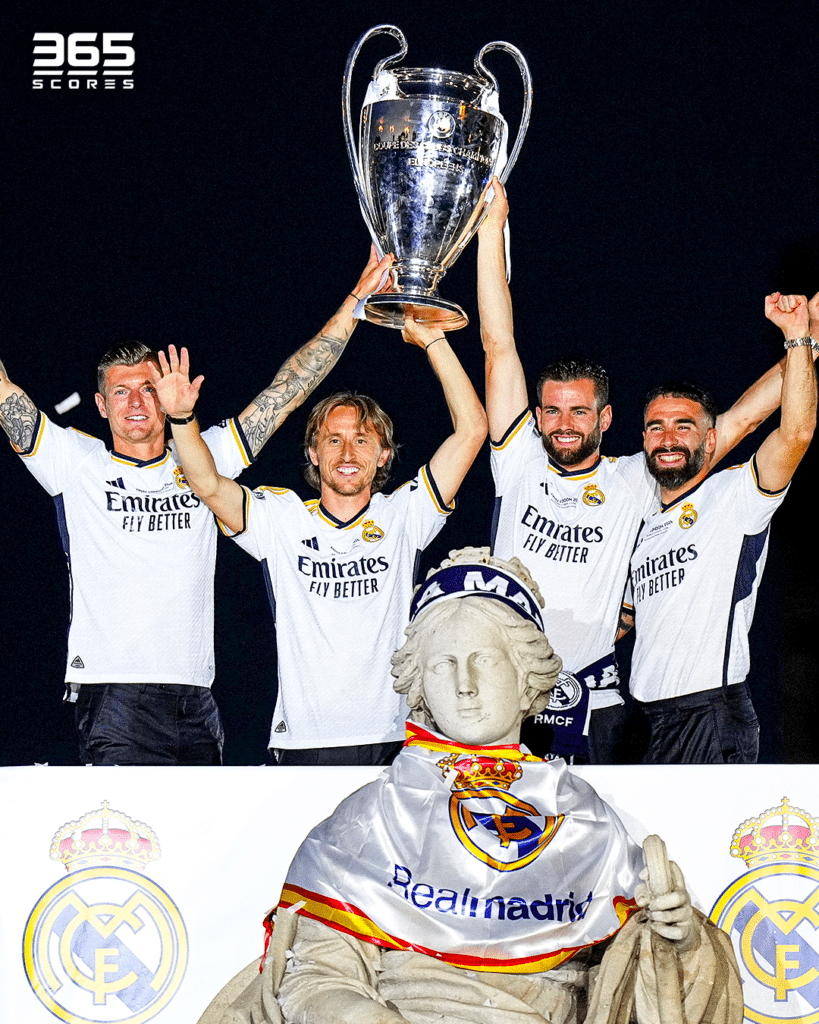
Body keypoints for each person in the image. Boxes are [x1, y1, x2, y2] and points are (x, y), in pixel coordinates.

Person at [196, 550, 742, 1024]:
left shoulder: (582, 815)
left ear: (527, 674)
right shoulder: (372, 817)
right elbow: (314, 981)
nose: (464, 685)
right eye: (444, 665)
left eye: (483, 660)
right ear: (421, 685)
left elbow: (639, 986)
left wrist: (681, 940)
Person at [0, 247, 394, 765]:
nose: (137, 402)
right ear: (100, 405)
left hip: (198, 697)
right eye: (121, 393)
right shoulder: (75, 461)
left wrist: (356, 302)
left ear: (167, 395)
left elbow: (288, 391)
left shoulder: (205, 456)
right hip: (115, 694)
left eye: (148, 388)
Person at [478, 177, 810, 764]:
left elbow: (734, 424)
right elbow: (498, 343)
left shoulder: (634, 479)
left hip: (598, 703)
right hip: (508, 697)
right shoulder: (519, 460)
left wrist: (806, 340)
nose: (563, 422)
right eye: (550, 410)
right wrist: (490, 227)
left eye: (579, 411)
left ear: (605, 418)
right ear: (535, 415)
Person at [151, 317, 487, 765]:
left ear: (384, 454)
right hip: (302, 743)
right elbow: (207, 484)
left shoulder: (405, 513)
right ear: (313, 451)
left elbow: (473, 430)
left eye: (362, 441)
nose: (347, 454)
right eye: (334, 440)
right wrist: (180, 418)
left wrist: (433, 340)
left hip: (393, 739)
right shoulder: (281, 518)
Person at [626, 291, 817, 764]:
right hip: (645, 719)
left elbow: (794, 433)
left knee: (699, 842)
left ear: (710, 440)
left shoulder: (734, 495)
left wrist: (799, 338)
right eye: (656, 427)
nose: (668, 438)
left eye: (684, 426)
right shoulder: (641, 518)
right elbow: (630, 617)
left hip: (709, 714)